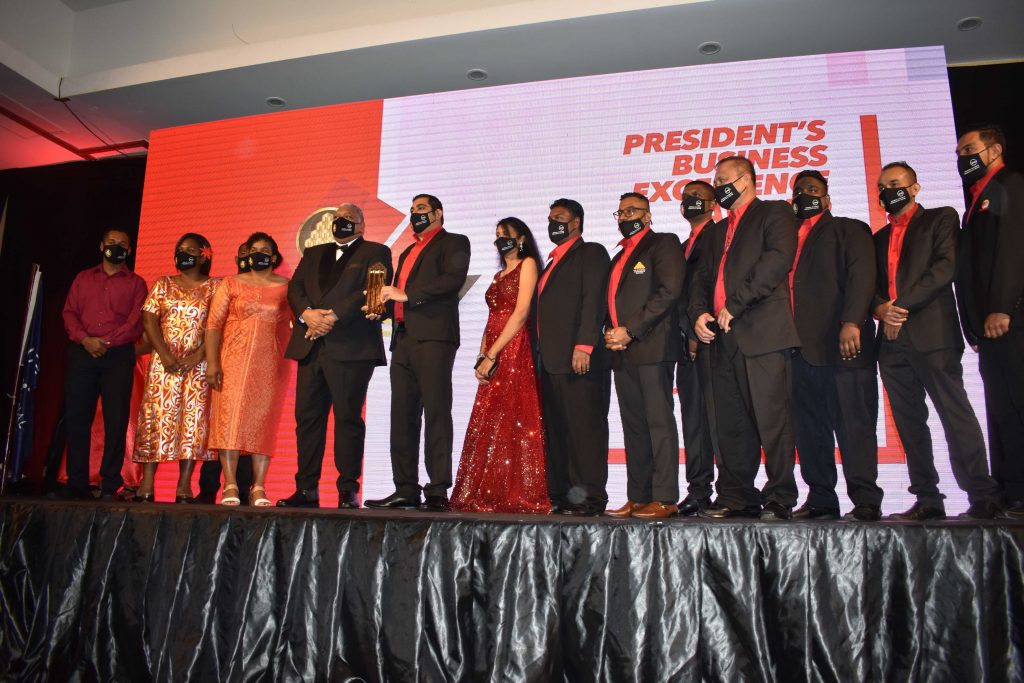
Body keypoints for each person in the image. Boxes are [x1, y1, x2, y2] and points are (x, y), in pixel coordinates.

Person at [873, 161, 1001, 520]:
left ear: (914, 188)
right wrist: (881, 309)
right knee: (909, 422)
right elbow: (869, 288)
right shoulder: (877, 238)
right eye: (883, 186)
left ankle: (982, 494)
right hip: (892, 341)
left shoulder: (941, 218)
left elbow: (945, 267)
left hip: (933, 334)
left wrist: (899, 307)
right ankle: (927, 499)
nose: (888, 190)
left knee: (954, 412)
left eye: (895, 183)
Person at [690, 156, 801, 520]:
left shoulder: (775, 213)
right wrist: (698, 313)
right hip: (722, 338)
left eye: (723, 179)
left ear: (747, 180)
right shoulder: (717, 231)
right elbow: (702, 280)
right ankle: (737, 495)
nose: (717, 184)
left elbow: (777, 261)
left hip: (763, 332)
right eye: (715, 178)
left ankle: (780, 496)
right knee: (731, 423)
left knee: (773, 419)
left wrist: (735, 304)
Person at [276, 203, 393, 509]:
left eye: (349, 219)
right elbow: (295, 288)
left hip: (351, 347)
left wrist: (331, 318)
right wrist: (306, 315)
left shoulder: (376, 251)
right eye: (338, 218)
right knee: (307, 418)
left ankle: (347, 489)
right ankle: (306, 489)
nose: (342, 222)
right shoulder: (314, 252)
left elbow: (373, 289)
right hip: (310, 346)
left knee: (347, 418)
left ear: (361, 225)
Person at [787, 170, 883, 521]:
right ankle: (821, 498)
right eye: (799, 191)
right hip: (796, 350)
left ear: (827, 199)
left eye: (813, 190)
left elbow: (862, 276)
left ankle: (866, 499)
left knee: (854, 424)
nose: (805, 195)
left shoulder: (849, 229)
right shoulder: (785, 238)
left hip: (842, 345)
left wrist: (852, 321)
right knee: (809, 429)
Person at [365, 194, 471, 511]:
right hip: (404, 339)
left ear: (439, 213)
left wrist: (407, 294)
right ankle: (405, 488)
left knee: (436, 412)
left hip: (435, 338)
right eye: (412, 210)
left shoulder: (454, 242)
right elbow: (398, 297)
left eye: (422, 209)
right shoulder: (409, 250)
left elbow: (451, 281)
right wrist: (379, 308)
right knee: (402, 416)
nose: (415, 214)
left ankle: (437, 489)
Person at [451, 218, 547, 513]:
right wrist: (483, 355)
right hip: (494, 347)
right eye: (497, 235)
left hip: (515, 346)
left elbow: (520, 313)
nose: (500, 239)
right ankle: (489, 488)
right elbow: (492, 317)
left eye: (506, 234)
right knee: (491, 418)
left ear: (521, 239)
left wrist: (494, 353)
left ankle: (517, 490)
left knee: (515, 416)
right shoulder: (496, 275)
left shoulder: (527, 264)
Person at [954, 124, 1024, 519]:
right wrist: (973, 326)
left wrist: (1001, 308)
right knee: (1002, 410)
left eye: (969, 149)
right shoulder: (976, 199)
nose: (963, 157)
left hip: (1011, 321)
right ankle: (1014, 493)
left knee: (1019, 402)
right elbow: (969, 272)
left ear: (994, 150)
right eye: (960, 152)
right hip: (988, 329)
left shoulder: (1009, 184)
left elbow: (1013, 250)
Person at [604, 192, 684, 519]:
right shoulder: (617, 256)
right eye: (620, 212)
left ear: (649, 215)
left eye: (633, 210)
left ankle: (664, 497)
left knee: (658, 423)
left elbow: (668, 292)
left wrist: (631, 330)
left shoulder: (663, 243)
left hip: (651, 345)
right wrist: (609, 334)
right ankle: (638, 496)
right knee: (633, 425)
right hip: (622, 351)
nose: (625, 216)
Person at [534, 198, 611, 516]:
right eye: (551, 218)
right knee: (558, 430)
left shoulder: (590, 252)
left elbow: (593, 301)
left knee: (584, 429)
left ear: (576, 222)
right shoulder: (550, 262)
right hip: (550, 360)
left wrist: (584, 345)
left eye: (561, 218)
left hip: (579, 358)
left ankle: (589, 497)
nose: (554, 223)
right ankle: (562, 495)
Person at [61, 228, 148, 500]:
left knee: (116, 420)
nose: (116, 247)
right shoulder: (83, 278)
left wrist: (105, 343)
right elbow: (69, 313)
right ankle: (77, 483)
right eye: (111, 243)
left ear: (130, 250)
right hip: (82, 353)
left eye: (122, 244)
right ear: (101, 246)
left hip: (119, 356)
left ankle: (110, 483)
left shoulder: (136, 283)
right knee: (78, 419)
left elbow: (135, 321)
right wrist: (86, 340)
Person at [205, 232, 291, 506]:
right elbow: (213, 325)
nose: (258, 254)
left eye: (264, 250)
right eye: (254, 249)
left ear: (274, 257)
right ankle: (229, 484)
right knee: (228, 422)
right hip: (231, 362)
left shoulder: (287, 286)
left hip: (270, 364)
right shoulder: (230, 284)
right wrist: (213, 363)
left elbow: (299, 319)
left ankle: (259, 487)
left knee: (262, 424)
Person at [132, 233, 218, 502]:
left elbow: (218, 327)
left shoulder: (216, 287)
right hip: (163, 363)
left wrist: (199, 356)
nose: (183, 254)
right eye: (179, 249)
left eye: (190, 250)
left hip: (199, 365)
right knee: (155, 420)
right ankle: (147, 484)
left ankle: (184, 485)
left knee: (193, 423)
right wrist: (165, 355)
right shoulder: (162, 284)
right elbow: (149, 321)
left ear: (205, 255)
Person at [195, 242, 253, 504]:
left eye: (251, 256)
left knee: (245, 431)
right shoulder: (223, 286)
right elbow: (212, 326)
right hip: (222, 365)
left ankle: (242, 489)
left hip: (250, 366)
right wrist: (212, 362)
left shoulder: (265, 288)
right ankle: (208, 489)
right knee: (217, 428)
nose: (246, 260)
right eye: (241, 255)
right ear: (235, 258)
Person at [675, 181, 719, 516]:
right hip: (685, 347)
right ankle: (699, 490)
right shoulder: (680, 245)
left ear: (713, 203)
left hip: (711, 340)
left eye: (697, 197)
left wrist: (695, 330)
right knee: (693, 423)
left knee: (719, 421)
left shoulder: (720, 237)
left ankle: (732, 490)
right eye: (686, 198)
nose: (690, 202)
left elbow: (710, 289)